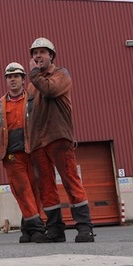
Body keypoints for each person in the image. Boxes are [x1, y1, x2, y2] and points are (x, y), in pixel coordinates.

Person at [27, 38, 95, 243]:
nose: (38, 56)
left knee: (70, 180)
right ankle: (55, 229)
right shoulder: (31, 86)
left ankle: (85, 227)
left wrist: (33, 74)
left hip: (58, 137)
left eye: (42, 52)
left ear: (51, 56)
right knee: (46, 187)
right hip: (38, 143)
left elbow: (50, 90)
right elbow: (29, 114)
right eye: (35, 53)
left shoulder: (61, 75)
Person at [0, 62, 48, 243]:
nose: (12, 80)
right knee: (22, 191)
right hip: (12, 154)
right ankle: (38, 228)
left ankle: (28, 229)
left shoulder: (32, 99)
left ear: (24, 80)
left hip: (31, 151)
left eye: (16, 76)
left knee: (35, 191)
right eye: (9, 77)